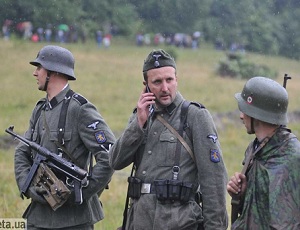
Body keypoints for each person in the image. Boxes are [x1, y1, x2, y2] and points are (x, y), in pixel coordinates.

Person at [109, 49, 228, 229]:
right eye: (157, 82)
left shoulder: (195, 116)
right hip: (139, 223)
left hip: (180, 223)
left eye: (169, 80)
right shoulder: (140, 116)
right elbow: (115, 161)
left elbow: (214, 179)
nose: (165, 88)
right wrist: (138, 124)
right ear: (146, 85)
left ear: (176, 80)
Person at [14, 45, 115, 230]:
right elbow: (22, 151)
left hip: (74, 220)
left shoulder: (80, 109)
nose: (35, 73)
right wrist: (28, 187)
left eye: (39, 68)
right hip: (39, 216)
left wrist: (82, 192)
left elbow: (109, 155)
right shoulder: (39, 110)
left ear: (53, 72)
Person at [227, 76, 300, 229]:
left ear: (257, 114)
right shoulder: (254, 149)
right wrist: (242, 194)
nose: (241, 116)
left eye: (245, 110)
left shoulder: (293, 158)